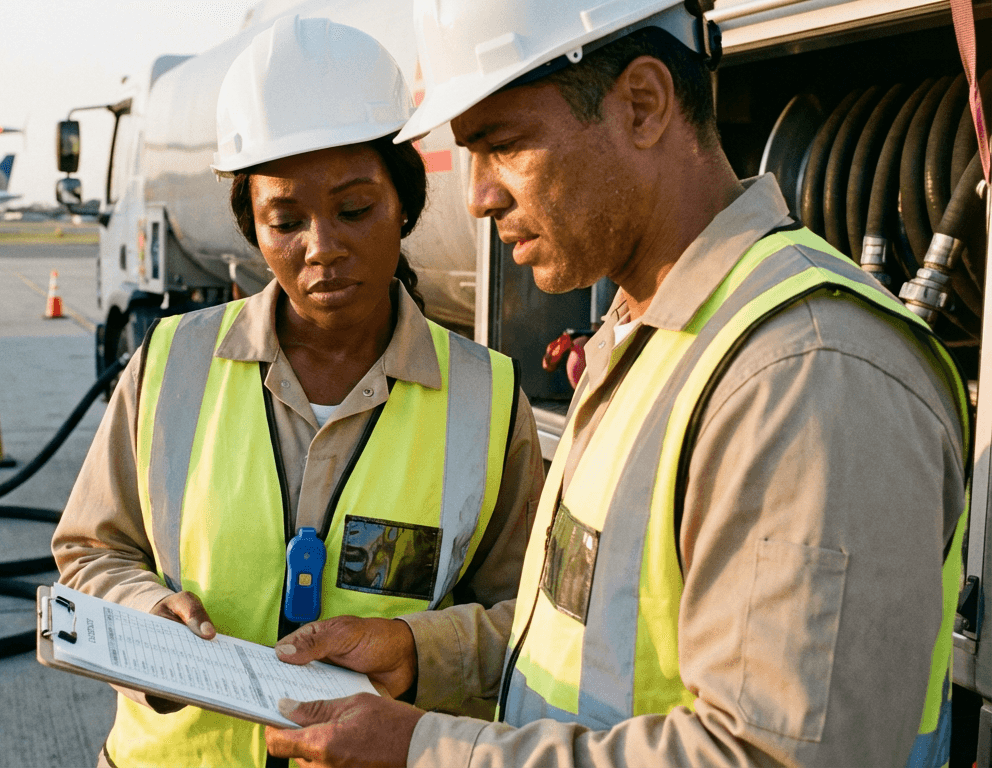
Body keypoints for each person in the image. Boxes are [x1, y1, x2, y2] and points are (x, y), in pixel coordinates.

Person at [262, 0, 970, 766]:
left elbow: (773, 756)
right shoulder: (651, 336)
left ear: (643, 104)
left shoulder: (806, 377)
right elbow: (599, 632)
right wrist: (421, 654)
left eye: (503, 145)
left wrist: (430, 750)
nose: (477, 196)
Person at [51, 15, 542, 768]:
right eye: (286, 221)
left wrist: (417, 648)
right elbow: (92, 549)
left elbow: (532, 621)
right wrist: (150, 616)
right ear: (251, 224)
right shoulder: (169, 363)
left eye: (354, 210)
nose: (323, 248)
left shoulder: (488, 395)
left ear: (404, 202)